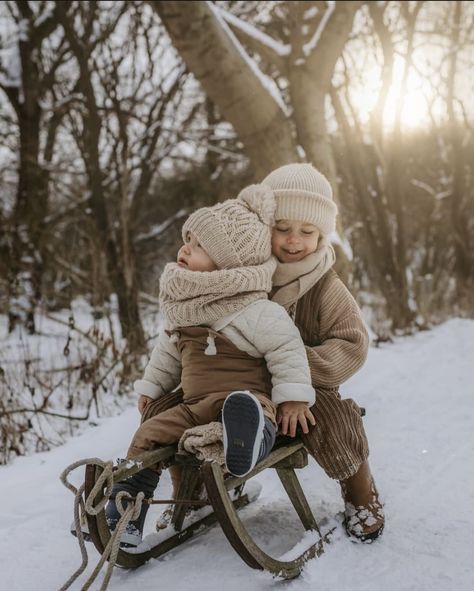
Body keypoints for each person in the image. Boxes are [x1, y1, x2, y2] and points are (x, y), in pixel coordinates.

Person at [145, 163, 384, 543]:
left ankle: (360, 493)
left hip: (303, 386)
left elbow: (351, 343)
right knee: (166, 409)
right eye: (283, 229)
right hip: (228, 384)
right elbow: (187, 333)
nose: (293, 240)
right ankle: (194, 492)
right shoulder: (236, 274)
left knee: (333, 416)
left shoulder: (324, 286)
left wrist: (294, 368)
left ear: (322, 235)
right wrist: (158, 384)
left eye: (307, 232)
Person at [105, 187, 316, 547]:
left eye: (198, 246)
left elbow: (286, 349)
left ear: (228, 261)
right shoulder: (184, 309)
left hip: (245, 399)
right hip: (193, 407)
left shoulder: (255, 310)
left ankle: (251, 441)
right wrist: (151, 389)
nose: (184, 249)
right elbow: (167, 354)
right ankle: (127, 515)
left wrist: (293, 398)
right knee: (147, 435)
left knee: (252, 413)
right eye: (186, 240)